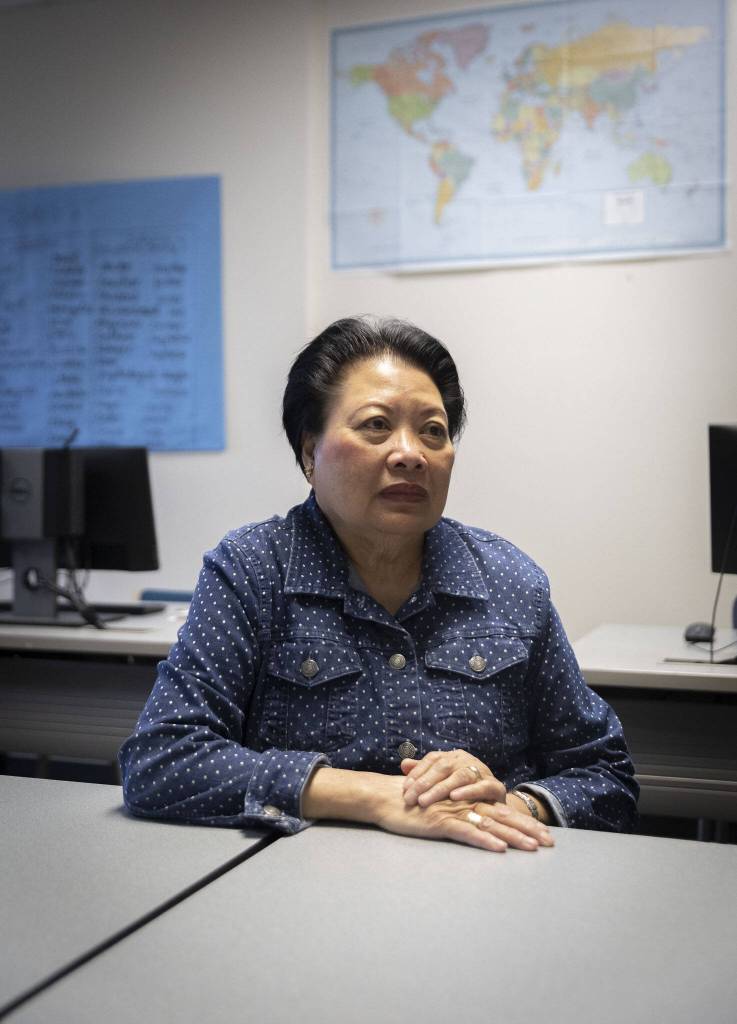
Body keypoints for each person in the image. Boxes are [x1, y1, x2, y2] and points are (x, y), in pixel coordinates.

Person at [120, 316, 638, 853]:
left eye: (433, 431)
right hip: (300, 877)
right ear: (309, 452)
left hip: (486, 873)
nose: (411, 453)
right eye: (375, 425)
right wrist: (376, 796)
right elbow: (163, 760)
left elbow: (605, 775)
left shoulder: (509, 582)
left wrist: (509, 807)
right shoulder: (254, 570)